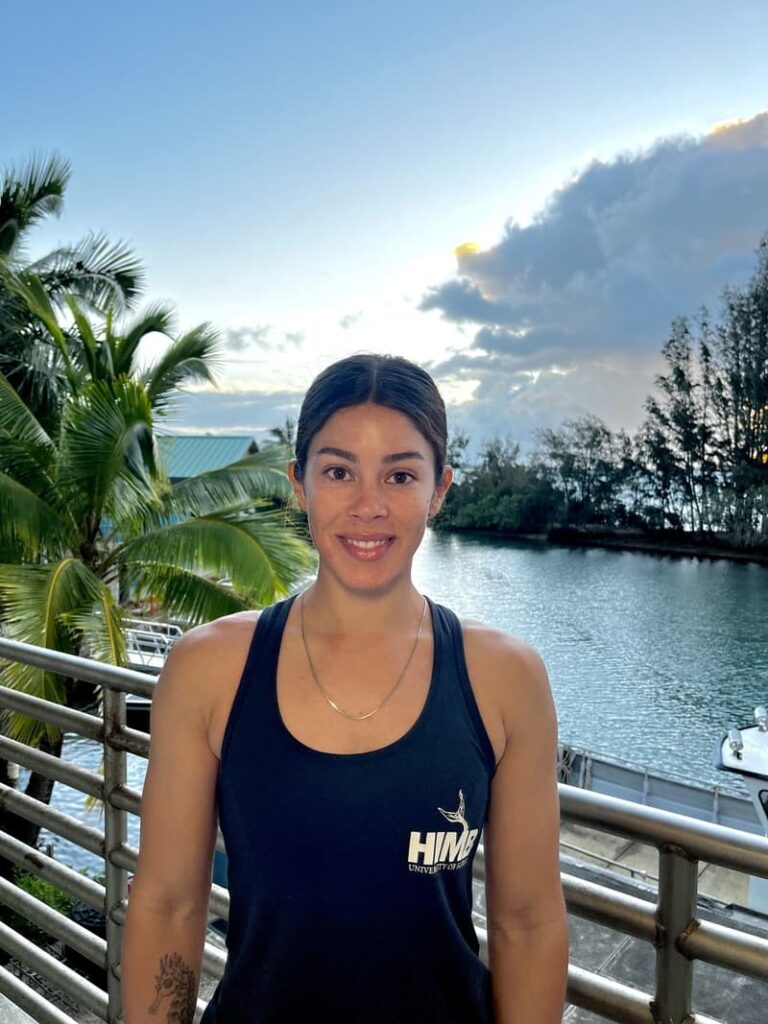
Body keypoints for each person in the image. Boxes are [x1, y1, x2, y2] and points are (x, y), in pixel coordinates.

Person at [121, 353, 568, 1023]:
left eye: (400, 474)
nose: (368, 505)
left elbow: (528, 922)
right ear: (298, 483)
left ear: (439, 490)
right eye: (338, 472)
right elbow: (168, 904)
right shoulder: (209, 669)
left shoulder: (505, 678)